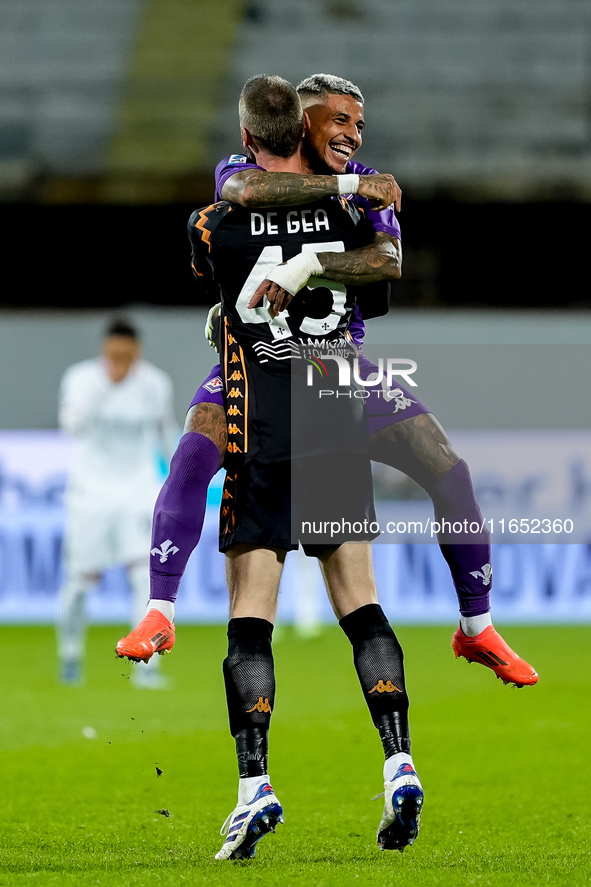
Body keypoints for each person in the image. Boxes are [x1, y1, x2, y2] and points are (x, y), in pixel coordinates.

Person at [118, 73, 537, 690]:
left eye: (359, 124)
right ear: (302, 122)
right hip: (255, 365)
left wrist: (310, 262)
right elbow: (243, 190)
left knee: (447, 467)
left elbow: (389, 262)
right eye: (339, 120)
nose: (351, 135)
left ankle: (476, 627)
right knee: (191, 456)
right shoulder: (254, 167)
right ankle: (160, 610)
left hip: (339, 370)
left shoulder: (369, 183)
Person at [193, 74, 424, 860]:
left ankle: (253, 784)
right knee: (360, 603)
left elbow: (223, 246)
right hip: (334, 408)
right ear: (309, 126)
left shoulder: (225, 213)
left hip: (260, 420)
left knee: (249, 615)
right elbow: (384, 269)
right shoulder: (351, 209)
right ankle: (398, 762)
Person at [57, 317, 178, 687]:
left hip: (137, 493)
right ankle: (71, 655)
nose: (120, 361)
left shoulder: (155, 383)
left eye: (127, 355)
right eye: (114, 355)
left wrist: (179, 481)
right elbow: (71, 426)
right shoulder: (81, 379)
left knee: (144, 579)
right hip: (90, 495)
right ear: (104, 351)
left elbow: (166, 431)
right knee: (80, 582)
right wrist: (105, 388)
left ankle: (147, 667)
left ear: (137, 352)